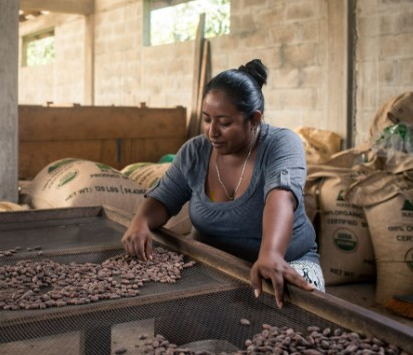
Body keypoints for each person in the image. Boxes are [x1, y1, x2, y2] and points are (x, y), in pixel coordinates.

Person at [121, 59, 324, 308]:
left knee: (285, 315)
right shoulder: (195, 151)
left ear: (254, 119)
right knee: (175, 323)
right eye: (207, 119)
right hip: (214, 264)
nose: (212, 132)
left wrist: (271, 253)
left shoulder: (280, 144)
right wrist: (140, 223)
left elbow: (281, 196)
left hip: (286, 261)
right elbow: (163, 198)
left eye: (225, 123)